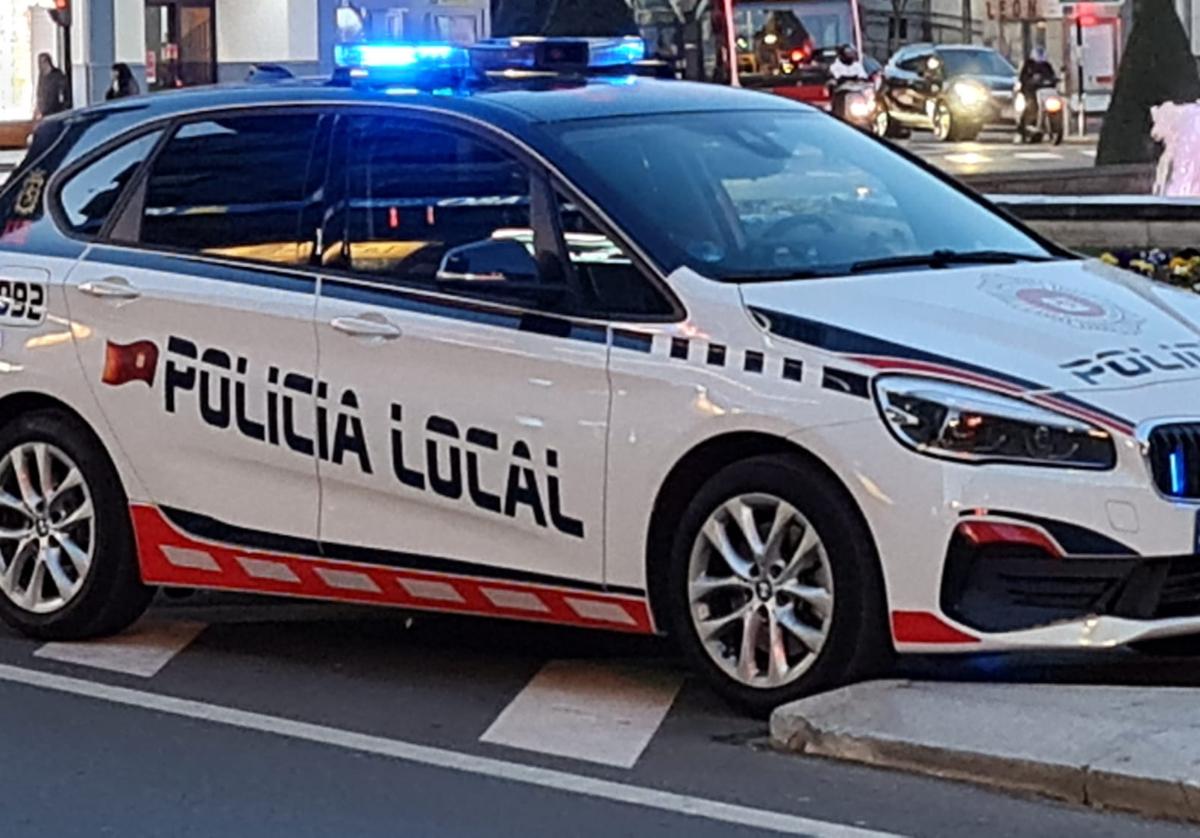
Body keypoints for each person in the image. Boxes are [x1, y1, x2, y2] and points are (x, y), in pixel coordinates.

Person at [34, 53, 69, 122]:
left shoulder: (57, 74)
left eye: (42, 62)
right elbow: (39, 92)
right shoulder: (41, 76)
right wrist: (38, 107)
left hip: (56, 110)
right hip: (44, 111)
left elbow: (64, 92)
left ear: (47, 62)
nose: (40, 65)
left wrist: (64, 106)